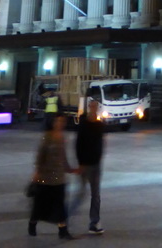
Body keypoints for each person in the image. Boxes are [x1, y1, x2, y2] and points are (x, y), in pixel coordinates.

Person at [29, 114, 77, 239]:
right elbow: (40, 155)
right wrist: (37, 172)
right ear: (54, 122)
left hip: (59, 177)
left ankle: (63, 230)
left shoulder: (62, 137)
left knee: (60, 204)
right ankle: (33, 222)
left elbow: (63, 156)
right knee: (40, 203)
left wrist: (69, 168)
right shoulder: (48, 136)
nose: (60, 123)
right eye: (58, 121)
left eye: (63, 121)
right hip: (46, 176)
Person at [73, 99, 105, 235]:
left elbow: (100, 145)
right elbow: (78, 145)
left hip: (96, 165)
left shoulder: (99, 125)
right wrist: (80, 163)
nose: (93, 108)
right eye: (91, 106)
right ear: (88, 107)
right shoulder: (84, 124)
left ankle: (94, 223)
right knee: (81, 195)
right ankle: (64, 221)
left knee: (96, 195)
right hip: (85, 165)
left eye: (95, 106)